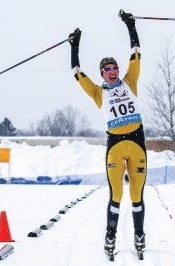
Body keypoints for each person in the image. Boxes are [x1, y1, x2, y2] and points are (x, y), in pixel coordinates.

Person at [68, 10, 147, 255]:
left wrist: (131, 26)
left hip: (136, 144)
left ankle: (139, 235)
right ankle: (110, 237)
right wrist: (75, 45)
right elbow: (76, 73)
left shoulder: (130, 81)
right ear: (102, 74)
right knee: (116, 194)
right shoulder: (97, 92)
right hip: (115, 147)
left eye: (114, 68)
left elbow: (136, 53)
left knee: (136, 195)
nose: (112, 71)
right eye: (107, 69)